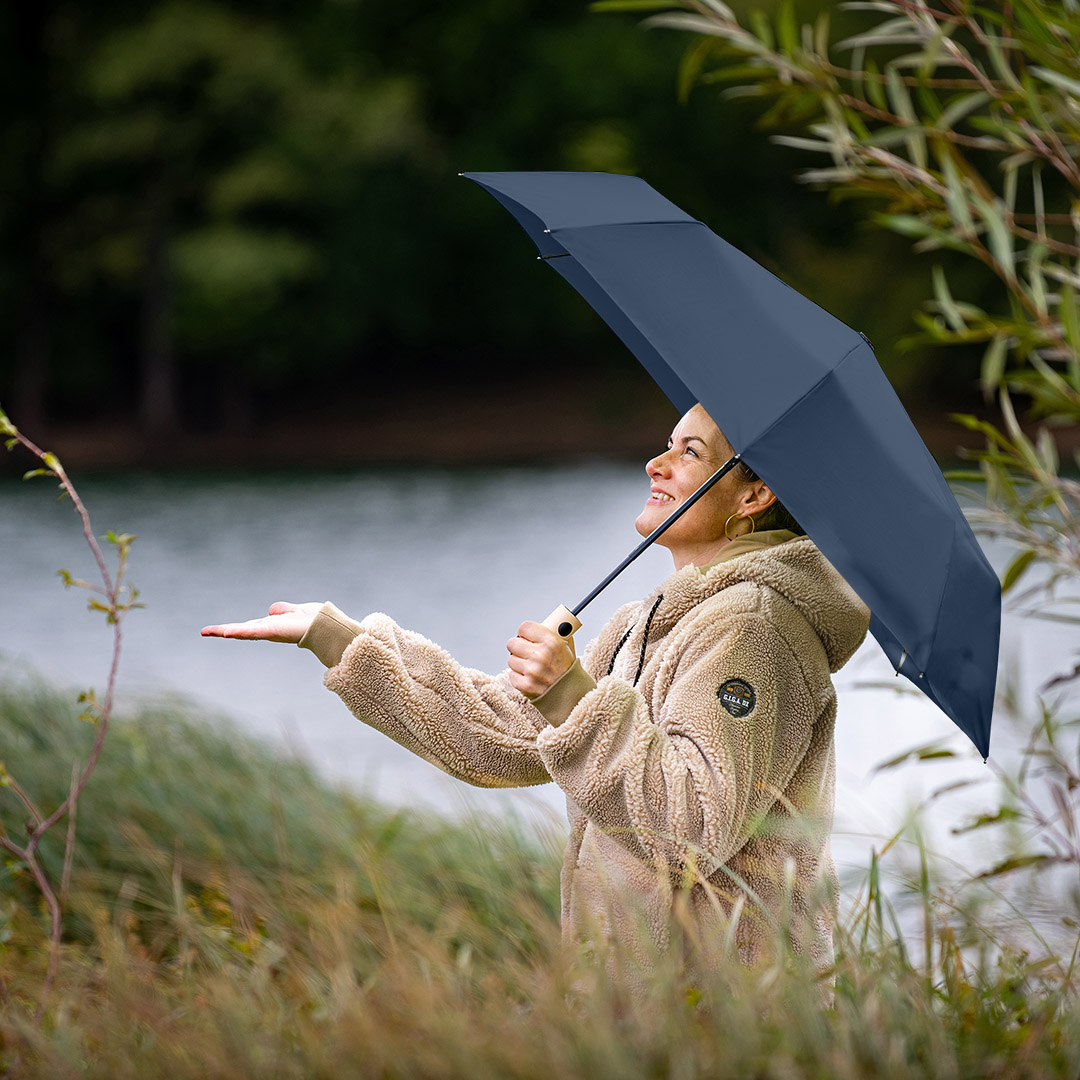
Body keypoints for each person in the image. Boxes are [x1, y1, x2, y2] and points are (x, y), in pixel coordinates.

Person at [202, 403, 869, 986]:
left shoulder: (753, 628)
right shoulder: (646, 623)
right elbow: (503, 738)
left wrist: (571, 693)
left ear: (753, 497)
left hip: (725, 1020)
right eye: (666, 443)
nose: (655, 464)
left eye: (689, 452)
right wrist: (338, 638)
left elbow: (689, 828)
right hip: (636, 1010)